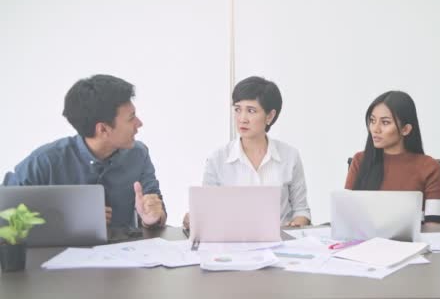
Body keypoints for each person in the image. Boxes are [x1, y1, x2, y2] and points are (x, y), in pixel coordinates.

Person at [3, 74, 166, 229]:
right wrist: (66, 220)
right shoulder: (45, 161)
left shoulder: (138, 154)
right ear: (103, 129)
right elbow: (4, 216)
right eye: (131, 118)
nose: (139, 123)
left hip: (125, 253)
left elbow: (155, 206)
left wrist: (151, 218)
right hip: (61, 256)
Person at [183, 76, 311, 229]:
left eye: (251, 111)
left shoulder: (290, 156)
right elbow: (207, 212)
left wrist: (296, 225)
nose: (242, 119)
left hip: (280, 244)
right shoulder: (217, 159)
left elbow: (301, 210)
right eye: (237, 110)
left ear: (270, 116)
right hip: (233, 244)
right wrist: (195, 218)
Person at [345, 91, 440, 223]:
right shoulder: (360, 161)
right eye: (372, 121)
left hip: (412, 243)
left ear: (406, 129)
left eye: (385, 123)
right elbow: (345, 216)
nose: (375, 129)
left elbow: (434, 224)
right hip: (366, 242)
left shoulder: (429, 167)